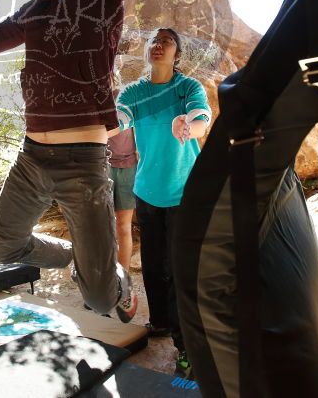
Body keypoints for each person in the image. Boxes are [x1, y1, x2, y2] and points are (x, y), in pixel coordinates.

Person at [0, 0, 169, 322]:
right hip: (32, 158)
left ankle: (113, 283)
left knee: (100, 301)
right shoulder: (33, 10)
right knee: (4, 247)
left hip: (83, 163)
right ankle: (79, 258)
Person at [116, 28, 211, 375]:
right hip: (147, 193)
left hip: (185, 194)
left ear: (177, 54)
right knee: (154, 266)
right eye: (154, 40)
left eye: (167, 41)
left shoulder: (187, 87)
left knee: (180, 270)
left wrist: (189, 124)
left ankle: (187, 346)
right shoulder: (134, 92)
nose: (158, 45)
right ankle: (160, 321)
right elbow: (121, 117)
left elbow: (202, 118)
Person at [107, 71, 137, 272]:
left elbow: (139, 134)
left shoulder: (126, 98)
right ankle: (102, 280)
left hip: (128, 168)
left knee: (123, 226)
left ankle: (122, 279)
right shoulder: (90, 101)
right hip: (102, 168)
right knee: (101, 227)